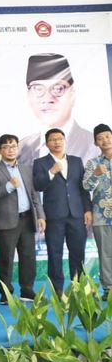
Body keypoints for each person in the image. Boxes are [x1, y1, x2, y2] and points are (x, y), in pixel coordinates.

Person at [0, 134, 45, 304]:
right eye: (6, 147)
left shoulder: (26, 169)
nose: (10, 150)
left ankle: (27, 290)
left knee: (28, 257)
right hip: (6, 221)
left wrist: (41, 216)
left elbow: (34, 195)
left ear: (17, 148)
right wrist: (9, 186)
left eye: (13, 146)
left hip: (27, 219)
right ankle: (5, 293)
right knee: (6, 259)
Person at [32, 128, 92, 295]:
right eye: (53, 139)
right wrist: (51, 172)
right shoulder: (40, 163)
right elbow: (38, 185)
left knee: (78, 252)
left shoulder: (76, 161)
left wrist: (88, 209)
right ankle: (57, 289)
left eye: (59, 139)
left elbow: (83, 188)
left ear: (64, 141)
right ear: (47, 143)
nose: (57, 142)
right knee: (54, 253)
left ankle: (79, 288)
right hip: (54, 215)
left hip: (76, 214)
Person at [18, 54, 97, 165]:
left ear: (72, 95)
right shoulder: (21, 148)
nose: (47, 98)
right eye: (38, 88)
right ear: (28, 96)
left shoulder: (96, 145)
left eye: (58, 88)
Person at [82, 124, 112, 300]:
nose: (105, 140)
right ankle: (109, 290)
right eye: (100, 138)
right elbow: (86, 186)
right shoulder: (93, 163)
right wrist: (96, 174)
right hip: (102, 217)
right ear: (95, 143)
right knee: (106, 255)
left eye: (108, 136)